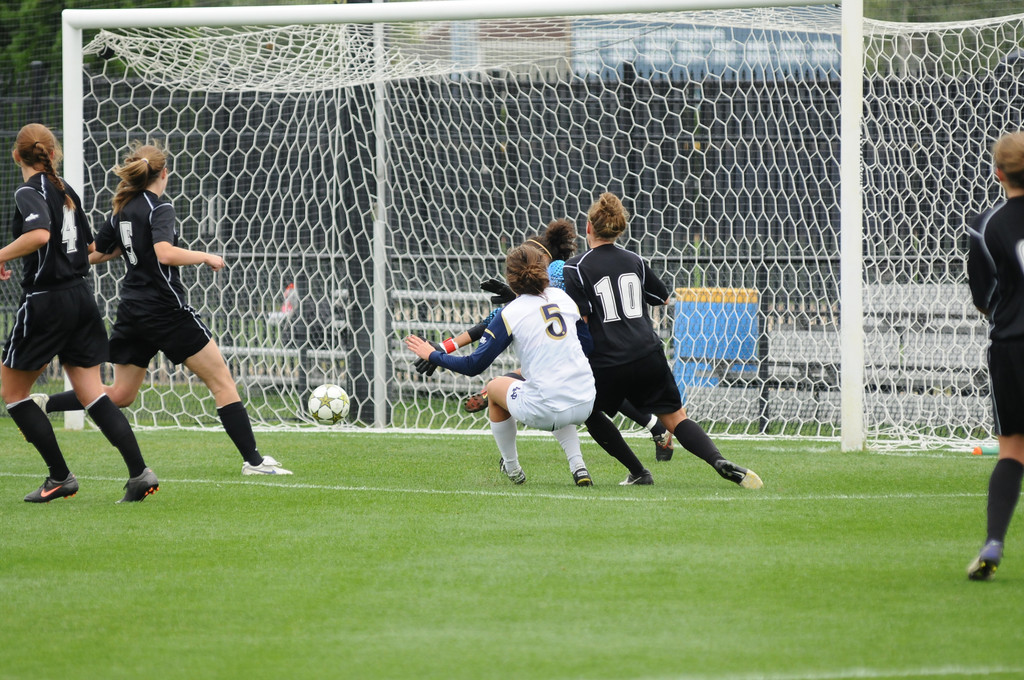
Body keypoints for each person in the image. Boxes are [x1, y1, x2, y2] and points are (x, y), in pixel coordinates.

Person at [34, 142, 291, 477]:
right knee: (222, 382)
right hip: (166, 312)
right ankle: (254, 462)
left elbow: (98, 252)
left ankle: (44, 404)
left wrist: (62, 261)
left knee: (121, 395)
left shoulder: (122, 208)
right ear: (163, 173)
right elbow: (165, 253)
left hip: (132, 312)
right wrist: (206, 256)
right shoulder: (160, 208)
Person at [416, 218, 675, 462]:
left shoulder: (558, 272)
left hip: (590, 339)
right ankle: (646, 436)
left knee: (592, 395)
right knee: (591, 397)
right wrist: (446, 346)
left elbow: (499, 321)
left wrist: (441, 350)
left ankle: (647, 441)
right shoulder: (543, 284)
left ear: (541, 260)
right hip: (584, 343)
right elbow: (493, 321)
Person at [0, 123, 158, 503]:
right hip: (80, 298)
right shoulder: (64, 188)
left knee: (14, 394)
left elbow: (39, 236)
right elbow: (88, 245)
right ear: (52, 154)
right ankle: (139, 473)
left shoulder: (28, 190)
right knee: (92, 392)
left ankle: (59, 477)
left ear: (16, 156)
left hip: (47, 301)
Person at [564, 191, 763, 488]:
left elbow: (583, 319)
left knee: (589, 412)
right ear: (620, 229)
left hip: (608, 358)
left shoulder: (575, 267)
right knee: (676, 417)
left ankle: (639, 472)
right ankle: (717, 459)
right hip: (647, 352)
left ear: (589, 227)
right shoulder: (635, 260)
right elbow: (662, 297)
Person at [406, 243, 596, 486]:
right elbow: (587, 347)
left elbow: (474, 365)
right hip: (585, 401)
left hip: (547, 407)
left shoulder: (510, 313)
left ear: (511, 277)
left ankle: (512, 468)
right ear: (543, 271)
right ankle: (578, 466)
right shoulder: (563, 298)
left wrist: (432, 354)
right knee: (554, 393)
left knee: (494, 387)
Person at [965, 130, 1024, 581]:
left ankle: (993, 542)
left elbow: (983, 295)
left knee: (1011, 453)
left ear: (997, 172)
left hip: (1010, 347)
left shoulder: (985, 224)